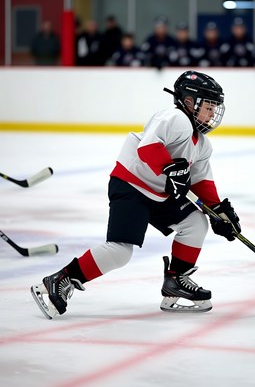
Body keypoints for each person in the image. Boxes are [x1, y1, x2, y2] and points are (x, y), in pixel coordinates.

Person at [31, 70, 241, 319]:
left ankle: (176, 280)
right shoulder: (175, 118)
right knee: (120, 251)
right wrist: (170, 170)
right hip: (131, 185)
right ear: (188, 102)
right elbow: (148, 147)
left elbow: (201, 180)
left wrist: (219, 211)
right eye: (208, 105)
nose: (212, 113)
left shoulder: (203, 144)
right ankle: (58, 280)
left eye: (215, 106)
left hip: (159, 194)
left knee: (196, 221)